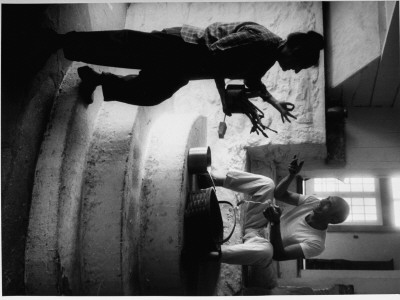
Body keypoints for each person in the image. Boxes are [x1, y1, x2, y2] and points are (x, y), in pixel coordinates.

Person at [48, 22, 324, 123]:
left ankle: (97, 79)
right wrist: (226, 96)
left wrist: (273, 103)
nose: (296, 70)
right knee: (119, 48)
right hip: (180, 47)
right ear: (294, 47)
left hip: (189, 66)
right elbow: (214, 52)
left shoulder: (268, 57)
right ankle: (59, 40)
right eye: (299, 64)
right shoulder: (261, 41)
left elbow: (253, 80)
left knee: (150, 93)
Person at [209, 156, 349, 290]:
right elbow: (279, 194)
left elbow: (279, 255)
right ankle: (213, 180)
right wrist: (291, 175)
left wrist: (276, 223)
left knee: (266, 253)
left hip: (259, 242)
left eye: (328, 205)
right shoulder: (313, 202)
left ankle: (212, 253)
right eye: (327, 198)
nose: (323, 201)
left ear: (334, 219)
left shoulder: (317, 244)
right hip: (260, 220)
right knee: (268, 184)